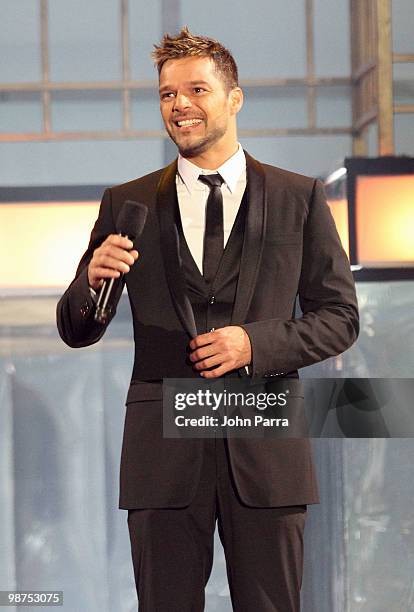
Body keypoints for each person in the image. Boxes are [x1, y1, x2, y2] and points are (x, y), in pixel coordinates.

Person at [57, 27, 359, 612]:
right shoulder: (127, 201)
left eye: (197, 89)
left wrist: (256, 343)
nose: (180, 105)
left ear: (234, 98)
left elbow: (340, 318)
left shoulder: (299, 198)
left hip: (266, 447)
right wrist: (89, 282)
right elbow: (78, 328)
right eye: (168, 94)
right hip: (163, 454)